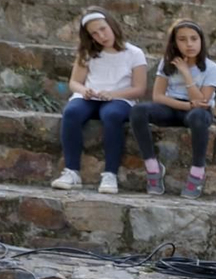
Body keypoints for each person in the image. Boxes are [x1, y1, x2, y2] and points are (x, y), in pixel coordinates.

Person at [52, 11, 147, 193]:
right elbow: (74, 82)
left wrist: (114, 94)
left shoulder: (134, 53)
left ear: (112, 26)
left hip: (119, 99)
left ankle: (110, 174)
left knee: (111, 115)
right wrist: (83, 90)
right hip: (90, 98)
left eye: (103, 29)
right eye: (94, 33)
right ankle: (72, 171)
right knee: (71, 112)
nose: (101, 36)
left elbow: (139, 89)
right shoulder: (88, 53)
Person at [130, 20, 216, 198]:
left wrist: (186, 74)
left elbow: (201, 101)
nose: (189, 44)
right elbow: (158, 96)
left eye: (194, 39)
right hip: (172, 107)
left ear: (201, 41)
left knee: (198, 117)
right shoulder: (167, 64)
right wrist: (186, 105)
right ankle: (153, 167)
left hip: (198, 111)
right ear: (175, 43)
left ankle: (197, 171)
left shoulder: (212, 68)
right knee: (138, 111)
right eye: (183, 39)